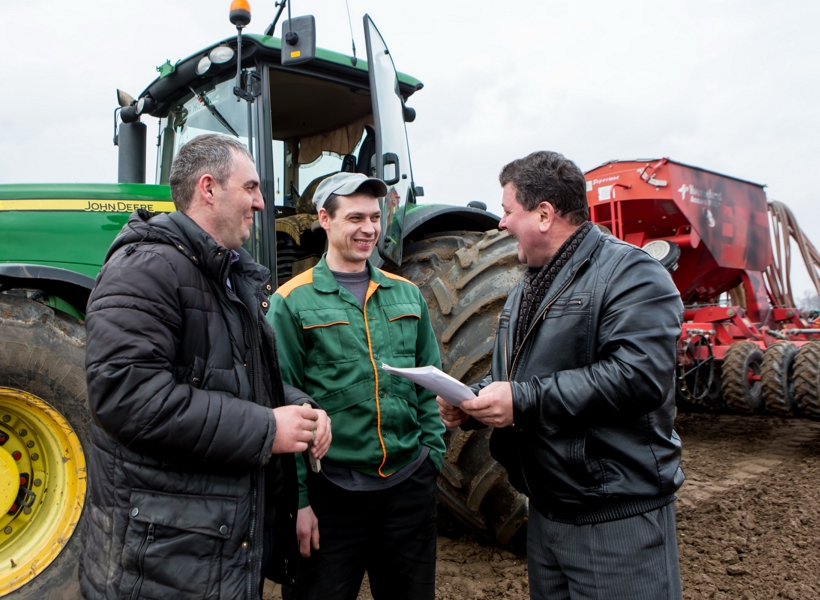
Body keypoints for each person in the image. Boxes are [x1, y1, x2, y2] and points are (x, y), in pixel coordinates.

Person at [79, 134, 331, 600]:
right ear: (209, 188)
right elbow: (126, 397)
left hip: (211, 546)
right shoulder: (146, 269)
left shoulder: (230, 276)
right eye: (251, 187)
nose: (260, 202)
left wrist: (300, 408)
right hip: (160, 561)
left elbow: (237, 379)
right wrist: (265, 429)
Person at [438, 151, 685, 599]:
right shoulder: (527, 286)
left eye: (509, 211)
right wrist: (472, 402)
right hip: (549, 512)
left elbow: (637, 377)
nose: (501, 224)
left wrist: (522, 399)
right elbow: (518, 377)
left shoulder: (631, 273)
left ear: (545, 214)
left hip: (613, 519)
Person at [267, 172, 446, 600]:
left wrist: (431, 460)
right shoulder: (292, 301)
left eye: (374, 217)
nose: (368, 228)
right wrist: (300, 503)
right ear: (324, 219)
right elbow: (283, 404)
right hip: (333, 496)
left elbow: (429, 383)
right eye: (355, 218)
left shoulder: (407, 295)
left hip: (407, 489)